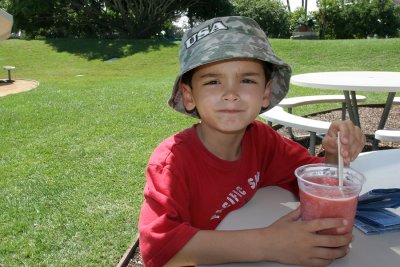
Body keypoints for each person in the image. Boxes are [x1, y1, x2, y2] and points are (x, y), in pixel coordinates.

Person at [138, 16, 365, 267]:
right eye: (213, 81)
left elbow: (312, 183)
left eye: (247, 80)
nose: (231, 94)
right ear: (189, 95)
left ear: (265, 93)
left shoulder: (262, 140)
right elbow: (159, 250)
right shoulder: (171, 163)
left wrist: (334, 154)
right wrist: (269, 244)